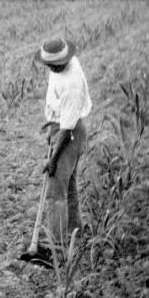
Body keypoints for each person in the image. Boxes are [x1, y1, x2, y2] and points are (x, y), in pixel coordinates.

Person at [37, 37, 91, 248]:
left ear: (63, 62)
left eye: (53, 65)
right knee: (68, 186)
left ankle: (55, 244)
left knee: (55, 192)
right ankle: (74, 233)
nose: (50, 68)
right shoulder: (64, 64)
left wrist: (53, 159)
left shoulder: (72, 84)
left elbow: (67, 129)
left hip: (69, 133)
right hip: (62, 126)